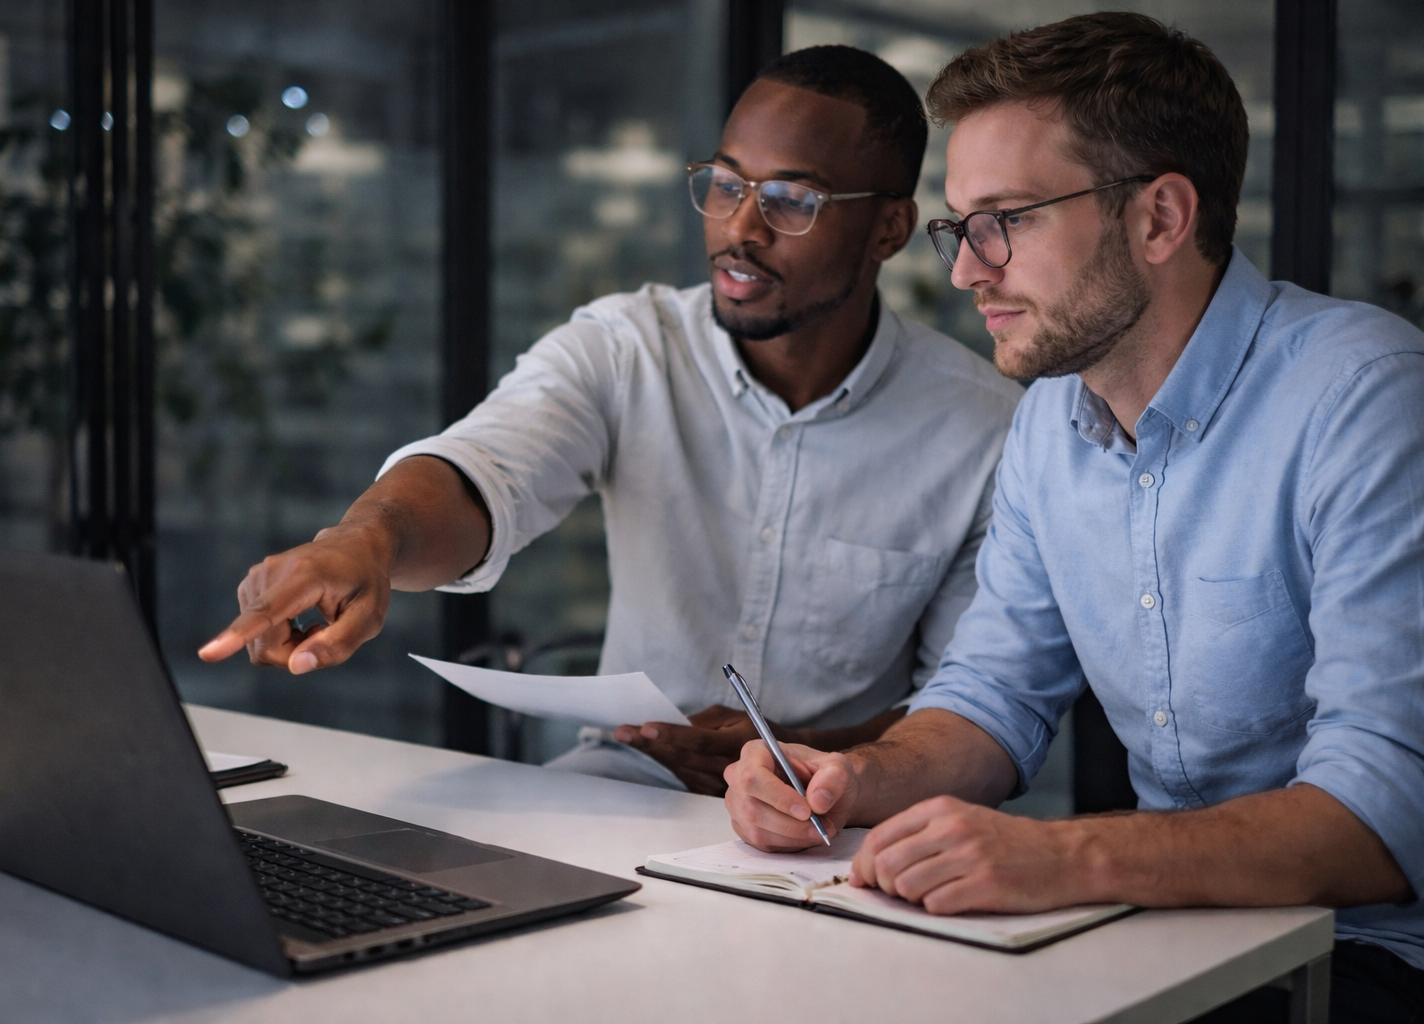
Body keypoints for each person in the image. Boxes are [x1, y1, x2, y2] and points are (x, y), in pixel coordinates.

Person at [724, 14, 1424, 1020]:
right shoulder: (1053, 418)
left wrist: (1063, 854)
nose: (966, 271)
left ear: (1159, 219)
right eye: (959, 227)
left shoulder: (1364, 397)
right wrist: (847, 780)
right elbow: (993, 697)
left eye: (1006, 219)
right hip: (1158, 936)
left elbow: (1384, 816)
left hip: (1364, 959)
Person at [197, 46, 1022, 796]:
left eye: (791, 201)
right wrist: (367, 539)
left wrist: (802, 751)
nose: (740, 227)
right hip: (623, 785)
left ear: (888, 229)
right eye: (727, 183)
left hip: (848, 816)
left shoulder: (982, 430)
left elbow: (969, 706)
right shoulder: (628, 347)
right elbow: (486, 465)